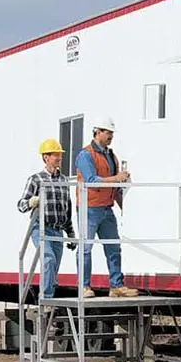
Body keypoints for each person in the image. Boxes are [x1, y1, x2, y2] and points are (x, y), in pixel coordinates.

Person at [74, 116, 139, 298]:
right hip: (89, 208)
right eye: (108, 132)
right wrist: (116, 179)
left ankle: (116, 286)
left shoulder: (111, 155)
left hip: (106, 208)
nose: (111, 136)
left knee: (113, 246)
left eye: (111, 133)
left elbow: (114, 184)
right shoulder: (85, 155)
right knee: (85, 248)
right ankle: (84, 286)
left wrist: (123, 197)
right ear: (97, 132)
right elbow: (91, 181)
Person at [17, 138, 76, 299]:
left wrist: (70, 233)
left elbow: (67, 208)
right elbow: (20, 205)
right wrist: (31, 202)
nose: (59, 157)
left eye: (59, 154)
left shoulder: (64, 180)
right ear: (46, 157)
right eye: (55, 154)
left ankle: (49, 297)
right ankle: (47, 298)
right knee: (48, 259)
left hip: (58, 231)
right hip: (41, 227)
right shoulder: (36, 179)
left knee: (54, 266)